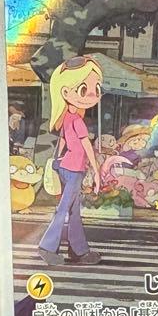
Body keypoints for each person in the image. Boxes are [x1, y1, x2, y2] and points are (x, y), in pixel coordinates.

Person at [38, 56, 103, 266]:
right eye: (84, 89)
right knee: (65, 208)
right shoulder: (78, 121)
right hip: (74, 170)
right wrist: (97, 173)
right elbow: (87, 148)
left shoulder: (66, 117)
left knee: (74, 210)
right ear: (65, 92)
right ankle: (47, 246)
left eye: (97, 89)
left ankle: (79, 250)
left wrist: (57, 161)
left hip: (66, 166)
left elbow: (64, 141)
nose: (93, 95)